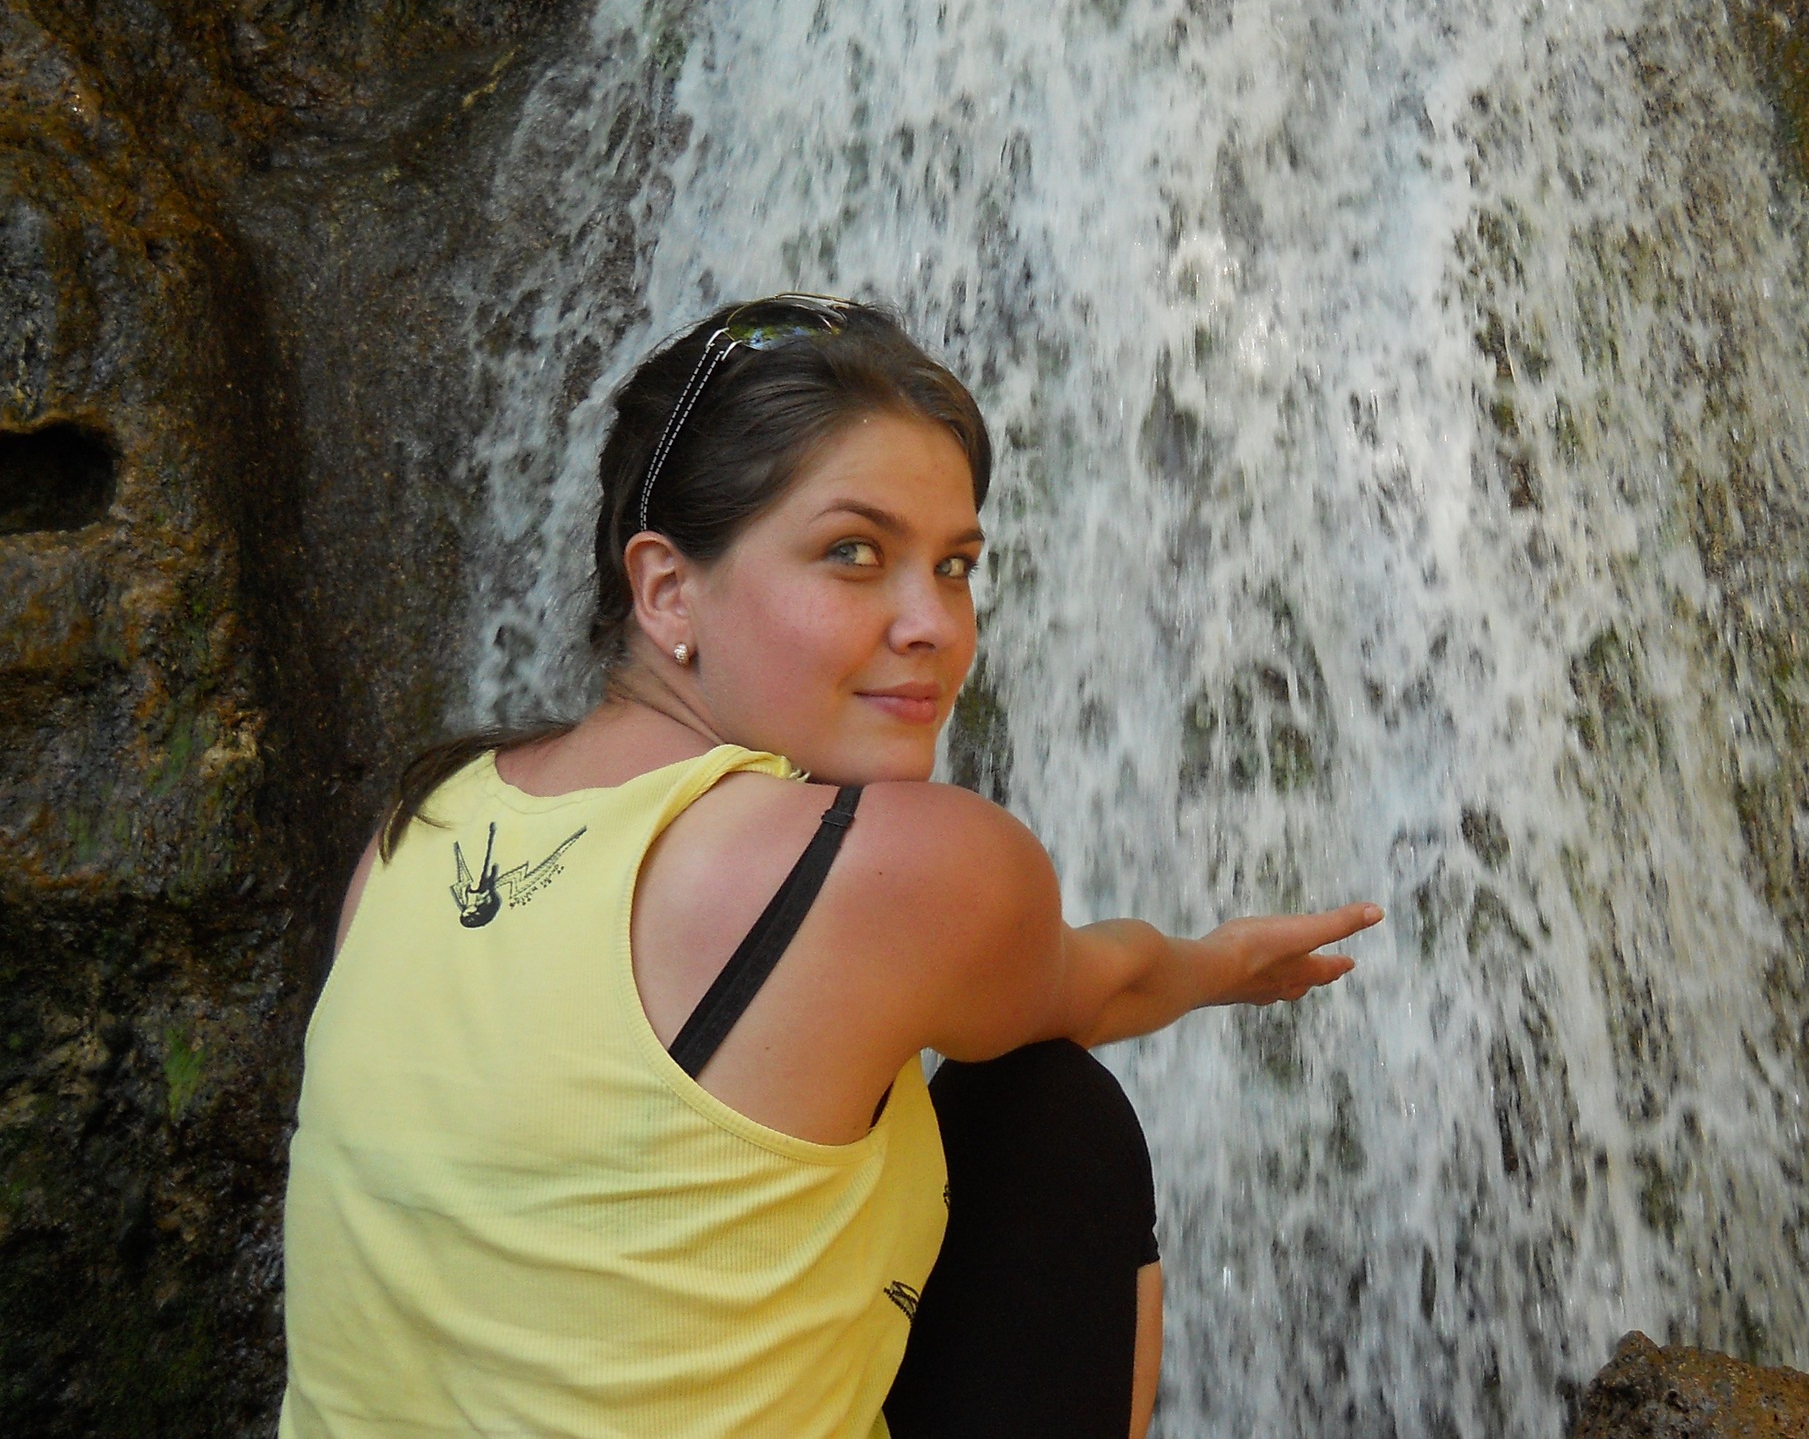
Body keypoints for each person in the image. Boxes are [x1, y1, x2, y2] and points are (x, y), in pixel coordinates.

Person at [279, 294, 1379, 1439]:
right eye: (853, 553)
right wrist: (1219, 964)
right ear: (666, 589)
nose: (933, 624)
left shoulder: (424, 825)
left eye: (954, 566)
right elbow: (1103, 987)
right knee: (1051, 1115)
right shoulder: (885, 861)